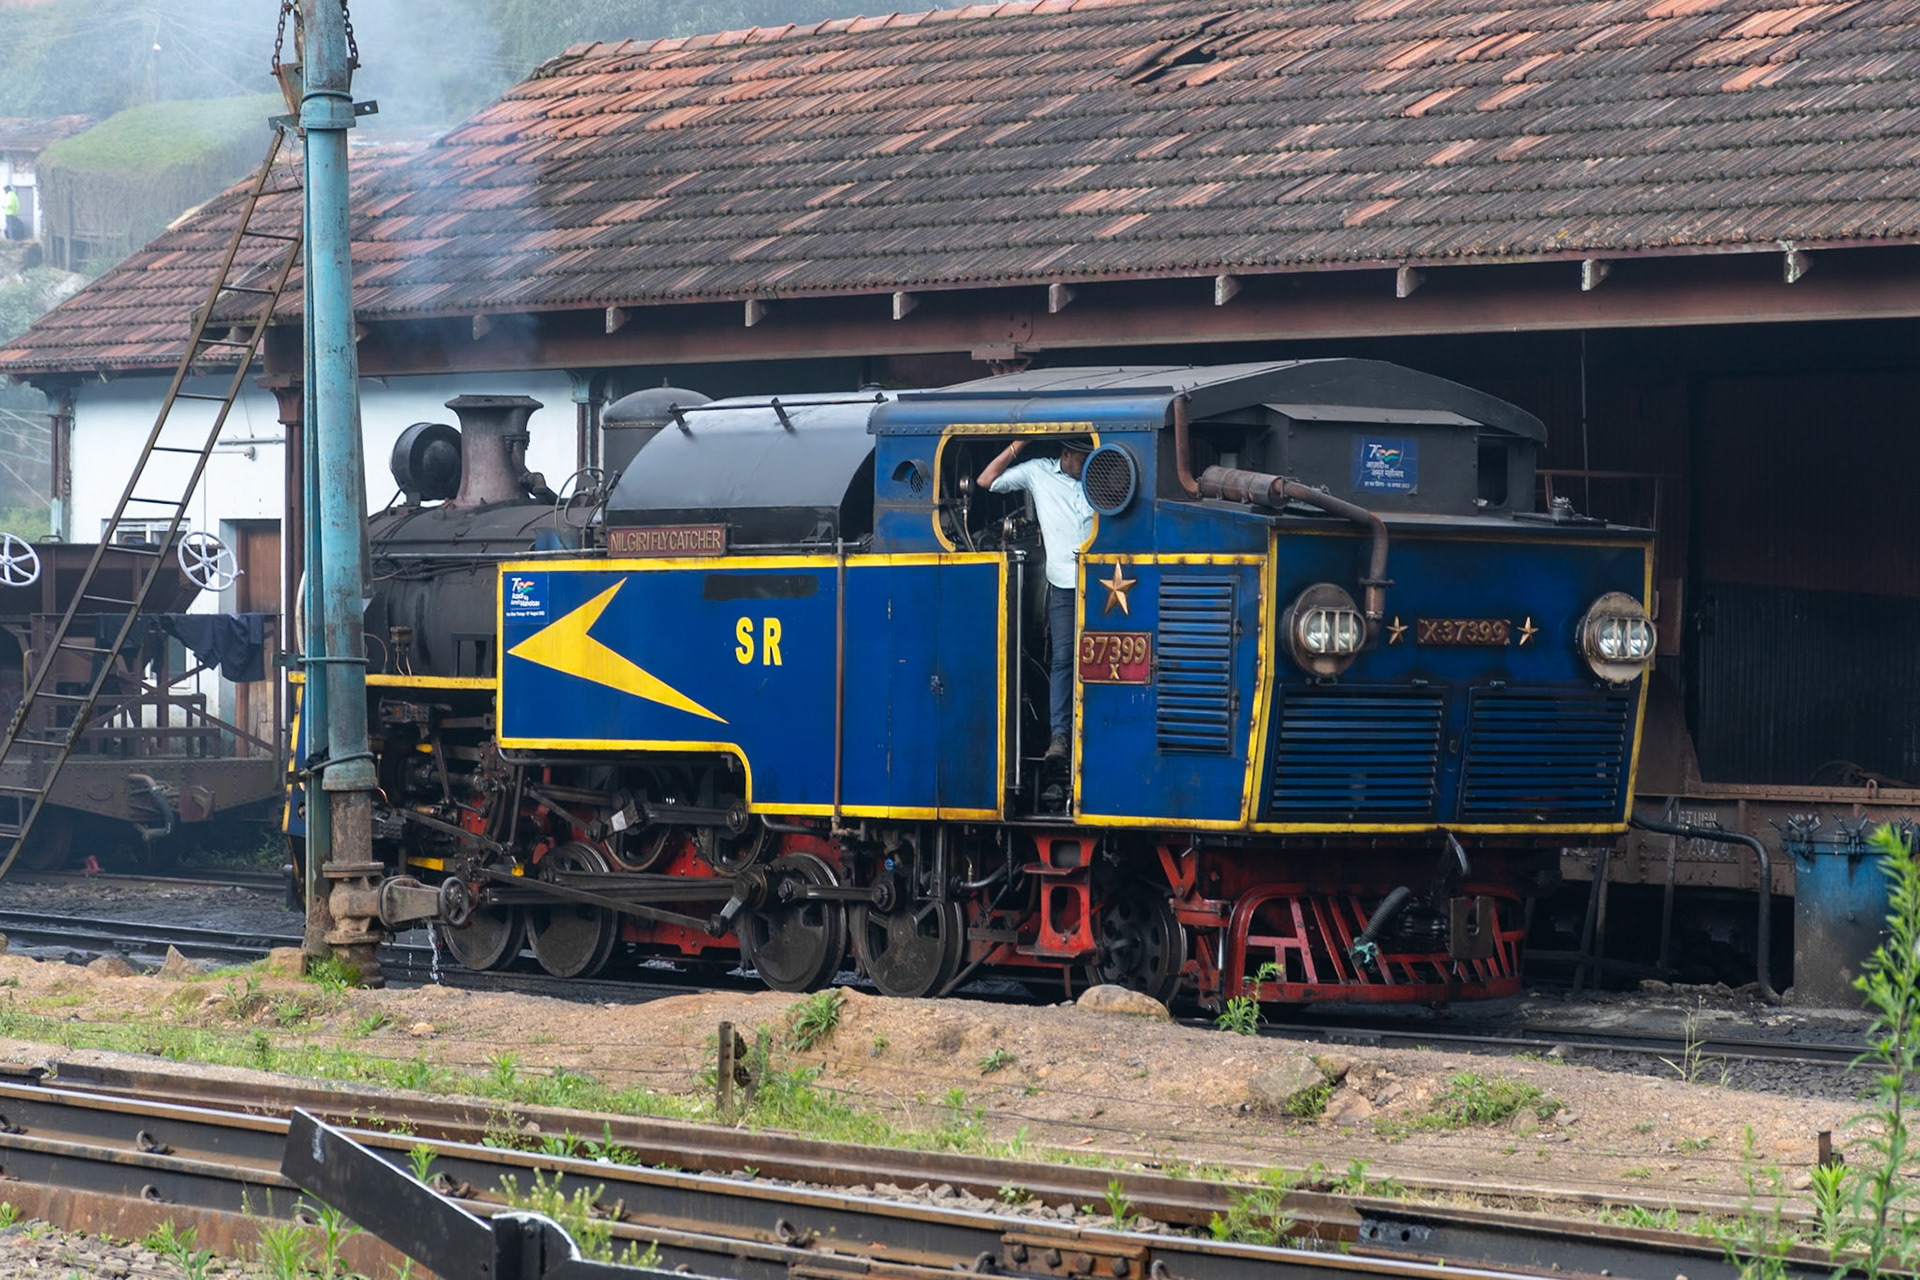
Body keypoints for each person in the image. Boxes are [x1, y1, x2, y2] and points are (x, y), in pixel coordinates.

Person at [978, 435, 1095, 766]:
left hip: (1101, 583)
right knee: (1063, 660)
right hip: (1063, 585)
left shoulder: (1100, 474)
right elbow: (987, 480)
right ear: (1066, 453)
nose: (1087, 464)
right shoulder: (1037, 472)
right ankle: (1060, 736)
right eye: (1082, 458)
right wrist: (1020, 444)